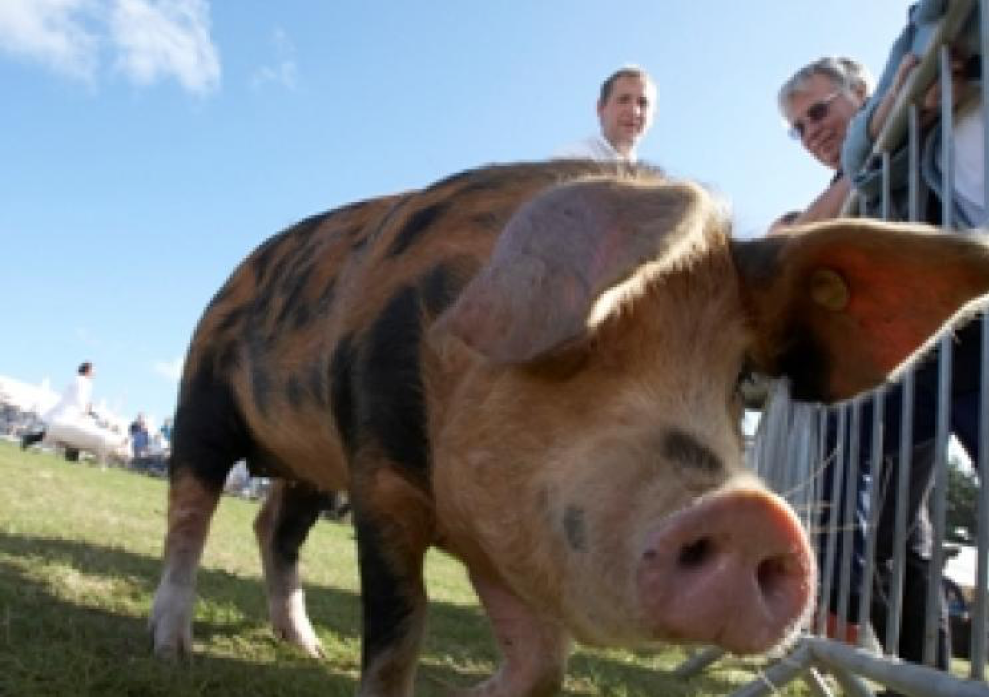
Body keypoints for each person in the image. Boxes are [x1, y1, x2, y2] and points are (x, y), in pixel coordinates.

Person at [775, 55, 956, 676]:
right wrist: (865, 153)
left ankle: (917, 671)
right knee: (891, 539)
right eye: (798, 128)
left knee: (905, 541)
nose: (811, 132)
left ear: (863, 94)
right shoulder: (857, 170)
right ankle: (889, 666)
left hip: (956, 349)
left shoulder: (930, 124)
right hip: (886, 377)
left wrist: (893, 121)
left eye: (820, 111)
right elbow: (786, 238)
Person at [554, 65, 657, 163]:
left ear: (653, 116)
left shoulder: (646, 175)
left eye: (643, 103)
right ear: (600, 108)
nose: (634, 111)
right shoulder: (571, 158)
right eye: (623, 100)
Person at [21, 362, 95, 451]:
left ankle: (29, 439)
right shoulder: (84, 382)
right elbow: (81, 398)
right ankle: (29, 439)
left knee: (63, 433)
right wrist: (85, 410)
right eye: (93, 370)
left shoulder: (76, 380)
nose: (94, 373)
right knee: (71, 435)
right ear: (87, 371)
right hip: (72, 412)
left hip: (66, 410)